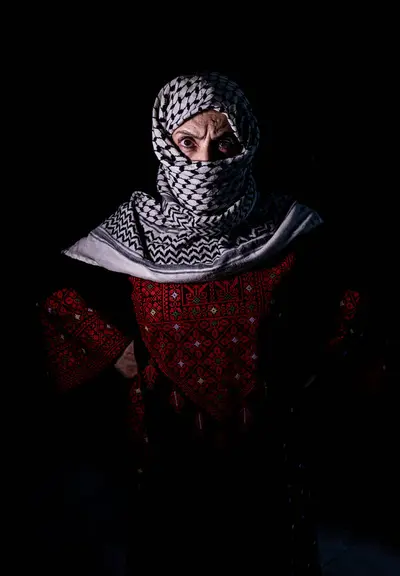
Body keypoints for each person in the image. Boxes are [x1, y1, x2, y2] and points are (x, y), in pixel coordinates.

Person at [36, 72, 367, 575]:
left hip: (267, 465)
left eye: (224, 142)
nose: (205, 162)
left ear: (248, 143)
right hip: (168, 459)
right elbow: (58, 311)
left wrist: (298, 377)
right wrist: (121, 356)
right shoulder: (132, 235)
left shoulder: (287, 227)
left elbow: (347, 315)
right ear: (163, 144)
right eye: (187, 143)